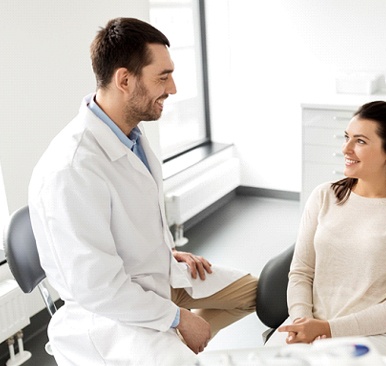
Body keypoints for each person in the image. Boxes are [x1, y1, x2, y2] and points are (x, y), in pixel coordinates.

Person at [28, 17, 257, 366]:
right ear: (124, 80)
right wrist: (178, 318)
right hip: (111, 313)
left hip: (157, 273)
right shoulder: (71, 168)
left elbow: (131, 218)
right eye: (162, 77)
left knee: (259, 293)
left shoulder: (130, 135)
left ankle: (177, 337)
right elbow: (97, 287)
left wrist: (164, 251)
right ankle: (176, 339)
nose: (174, 88)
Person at [269, 101, 386, 366]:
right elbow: (302, 271)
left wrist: (328, 328)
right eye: (347, 137)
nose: (345, 149)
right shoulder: (324, 196)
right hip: (310, 325)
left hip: (378, 336)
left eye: (360, 141)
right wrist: (302, 322)